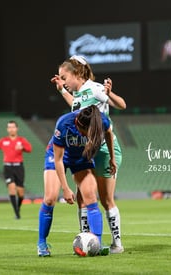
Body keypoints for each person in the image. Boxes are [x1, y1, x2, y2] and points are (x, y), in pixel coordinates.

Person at [51, 55, 126, 253]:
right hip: (86, 151)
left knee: (105, 199)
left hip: (103, 150)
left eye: (64, 78)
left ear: (77, 74)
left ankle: (117, 243)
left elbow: (121, 105)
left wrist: (109, 94)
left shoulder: (95, 88)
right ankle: (87, 239)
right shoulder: (80, 95)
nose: (63, 81)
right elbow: (77, 106)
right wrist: (61, 90)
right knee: (83, 196)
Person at [37, 105, 117, 257]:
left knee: (91, 197)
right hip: (58, 156)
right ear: (79, 124)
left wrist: (112, 158)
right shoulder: (64, 124)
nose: (86, 135)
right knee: (50, 198)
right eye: (85, 132)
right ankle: (42, 243)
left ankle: (97, 243)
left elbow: (108, 133)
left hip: (81, 158)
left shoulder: (101, 121)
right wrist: (65, 188)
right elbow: (59, 160)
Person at [0, 120, 32, 219]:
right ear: (7, 129)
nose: (11, 129)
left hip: (19, 167)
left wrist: (22, 147)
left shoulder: (21, 140)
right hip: (8, 167)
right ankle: (17, 214)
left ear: (17, 128)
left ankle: (18, 208)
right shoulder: (3, 140)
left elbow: (29, 149)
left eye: (13, 127)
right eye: (9, 127)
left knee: (20, 192)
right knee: (11, 188)